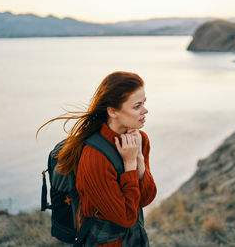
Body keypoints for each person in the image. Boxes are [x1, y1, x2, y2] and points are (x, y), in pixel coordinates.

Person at [37, 71, 157, 246]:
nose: (145, 110)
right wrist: (130, 164)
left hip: (135, 238)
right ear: (113, 111)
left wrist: (138, 158)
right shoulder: (95, 157)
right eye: (137, 106)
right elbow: (126, 217)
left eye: (144, 103)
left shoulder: (139, 139)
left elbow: (145, 198)